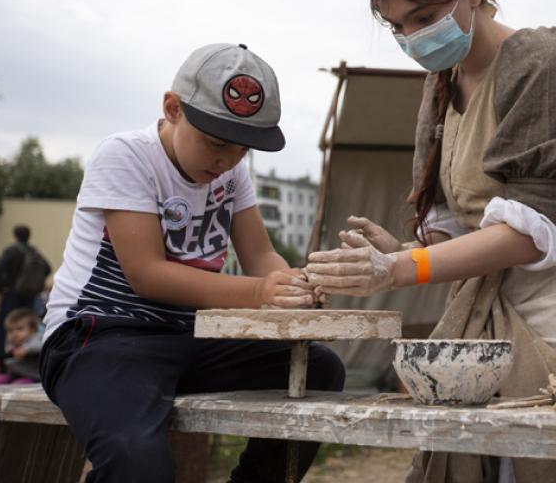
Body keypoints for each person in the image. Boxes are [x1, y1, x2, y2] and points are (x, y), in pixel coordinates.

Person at [306, 0, 556, 483]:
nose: (413, 38)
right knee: (483, 464)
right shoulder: (441, 85)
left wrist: (396, 268)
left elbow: (523, 235)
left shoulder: (543, 60)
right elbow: (460, 227)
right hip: (491, 305)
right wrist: (400, 248)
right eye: (397, 27)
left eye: (422, 17)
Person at [40, 43, 344, 483]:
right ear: (172, 108)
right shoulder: (126, 155)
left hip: (186, 335)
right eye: (216, 142)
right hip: (99, 337)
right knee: (135, 460)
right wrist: (261, 293)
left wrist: (296, 284)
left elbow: (260, 255)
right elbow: (147, 275)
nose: (226, 160)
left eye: (242, 149)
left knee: (321, 369)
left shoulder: (231, 173)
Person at [0, 225, 50, 369]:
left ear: (15, 236)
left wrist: (0, 288)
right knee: (28, 324)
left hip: (12, 293)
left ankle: (1, 358)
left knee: (5, 325)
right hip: (30, 294)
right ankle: (27, 355)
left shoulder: (11, 250)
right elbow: (47, 268)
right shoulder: (34, 251)